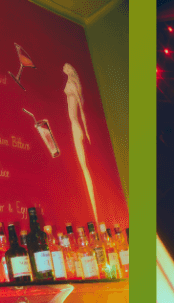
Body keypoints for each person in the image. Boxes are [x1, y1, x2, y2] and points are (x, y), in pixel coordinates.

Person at [63, 63, 97, 225]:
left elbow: (81, 110)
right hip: (75, 126)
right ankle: (95, 216)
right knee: (83, 168)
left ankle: (96, 218)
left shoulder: (73, 82)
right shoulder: (73, 81)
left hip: (76, 127)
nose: (64, 68)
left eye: (67, 67)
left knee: (84, 167)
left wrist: (86, 130)